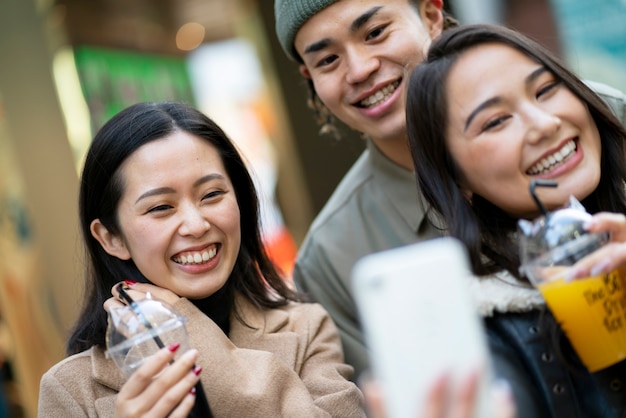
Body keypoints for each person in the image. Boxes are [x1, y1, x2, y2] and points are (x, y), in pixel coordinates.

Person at [274, 0, 626, 381]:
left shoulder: (594, 120)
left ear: (431, 14)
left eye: (376, 33)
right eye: (327, 60)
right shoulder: (332, 258)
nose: (360, 70)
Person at [37, 101, 365, 417]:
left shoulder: (306, 327)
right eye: (161, 207)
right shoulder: (69, 389)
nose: (197, 225)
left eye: (211, 195)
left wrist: (182, 324)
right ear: (112, 237)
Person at [406, 23, 626, 417]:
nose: (545, 124)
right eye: (495, 121)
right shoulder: (477, 331)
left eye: (545, 90)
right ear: (457, 177)